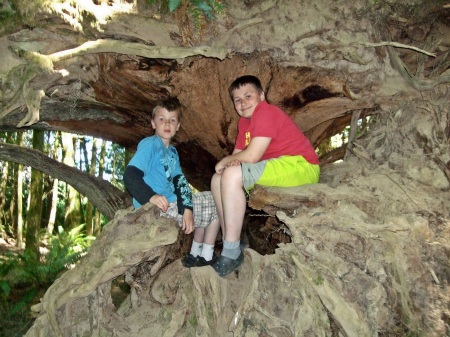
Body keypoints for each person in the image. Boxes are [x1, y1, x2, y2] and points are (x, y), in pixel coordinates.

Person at [211, 75, 320, 276]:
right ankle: (231, 242)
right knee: (217, 179)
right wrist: (228, 164)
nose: (243, 103)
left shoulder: (266, 112)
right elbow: (237, 157)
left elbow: (250, 156)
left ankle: (231, 251)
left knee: (231, 173)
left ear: (261, 96)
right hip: (275, 167)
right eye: (237, 100)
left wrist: (224, 162)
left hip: (299, 166)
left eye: (248, 96)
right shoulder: (244, 124)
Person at [124, 97, 220, 267]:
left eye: (172, 120)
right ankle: (205, 255)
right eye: (162, 119)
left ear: (178, 126)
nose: (167, 124)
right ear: (153, 123)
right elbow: (130, 175)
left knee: (210, 197)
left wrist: (188, 209)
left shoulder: (172, 153)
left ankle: (195, 254)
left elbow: (180, 182)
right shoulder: (150, 145)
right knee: (218, 202)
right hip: (157, 207)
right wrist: (151, 197)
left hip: (171, 203)